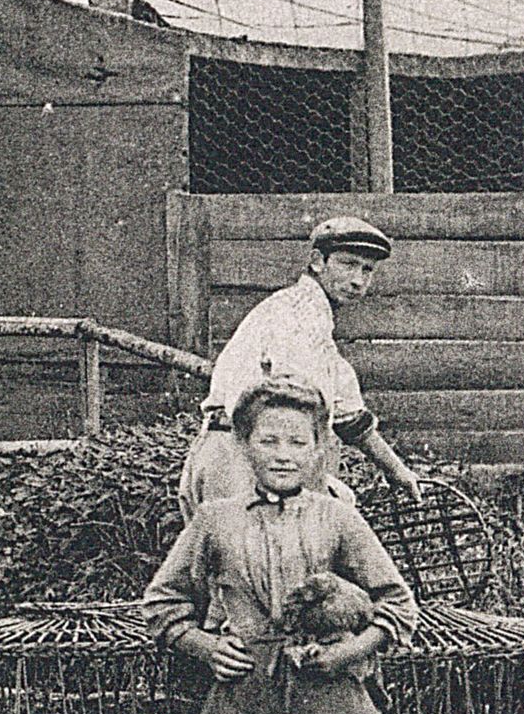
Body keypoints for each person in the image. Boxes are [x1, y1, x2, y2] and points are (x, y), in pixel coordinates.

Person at [143, 378, 421, 714]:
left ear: (319, 449)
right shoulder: (216, 519)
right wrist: (206, 647)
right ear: (243, 445)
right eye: (267, 440)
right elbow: (163, 601)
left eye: (298, 441)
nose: (283, 454)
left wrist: (348, 653)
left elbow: (397, 605)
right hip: (242, 702)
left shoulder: (339, 519)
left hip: (333, 706)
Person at [180, 215, 425, 513]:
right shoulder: (295, 314)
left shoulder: (316, 322)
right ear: (317, 261)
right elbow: (291, 407)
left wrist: (396, 471)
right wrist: (318, 488)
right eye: (348, 264)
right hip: (239, 463)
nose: (358, 280)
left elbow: (348, 416)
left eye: (367, 270)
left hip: (239, 456)